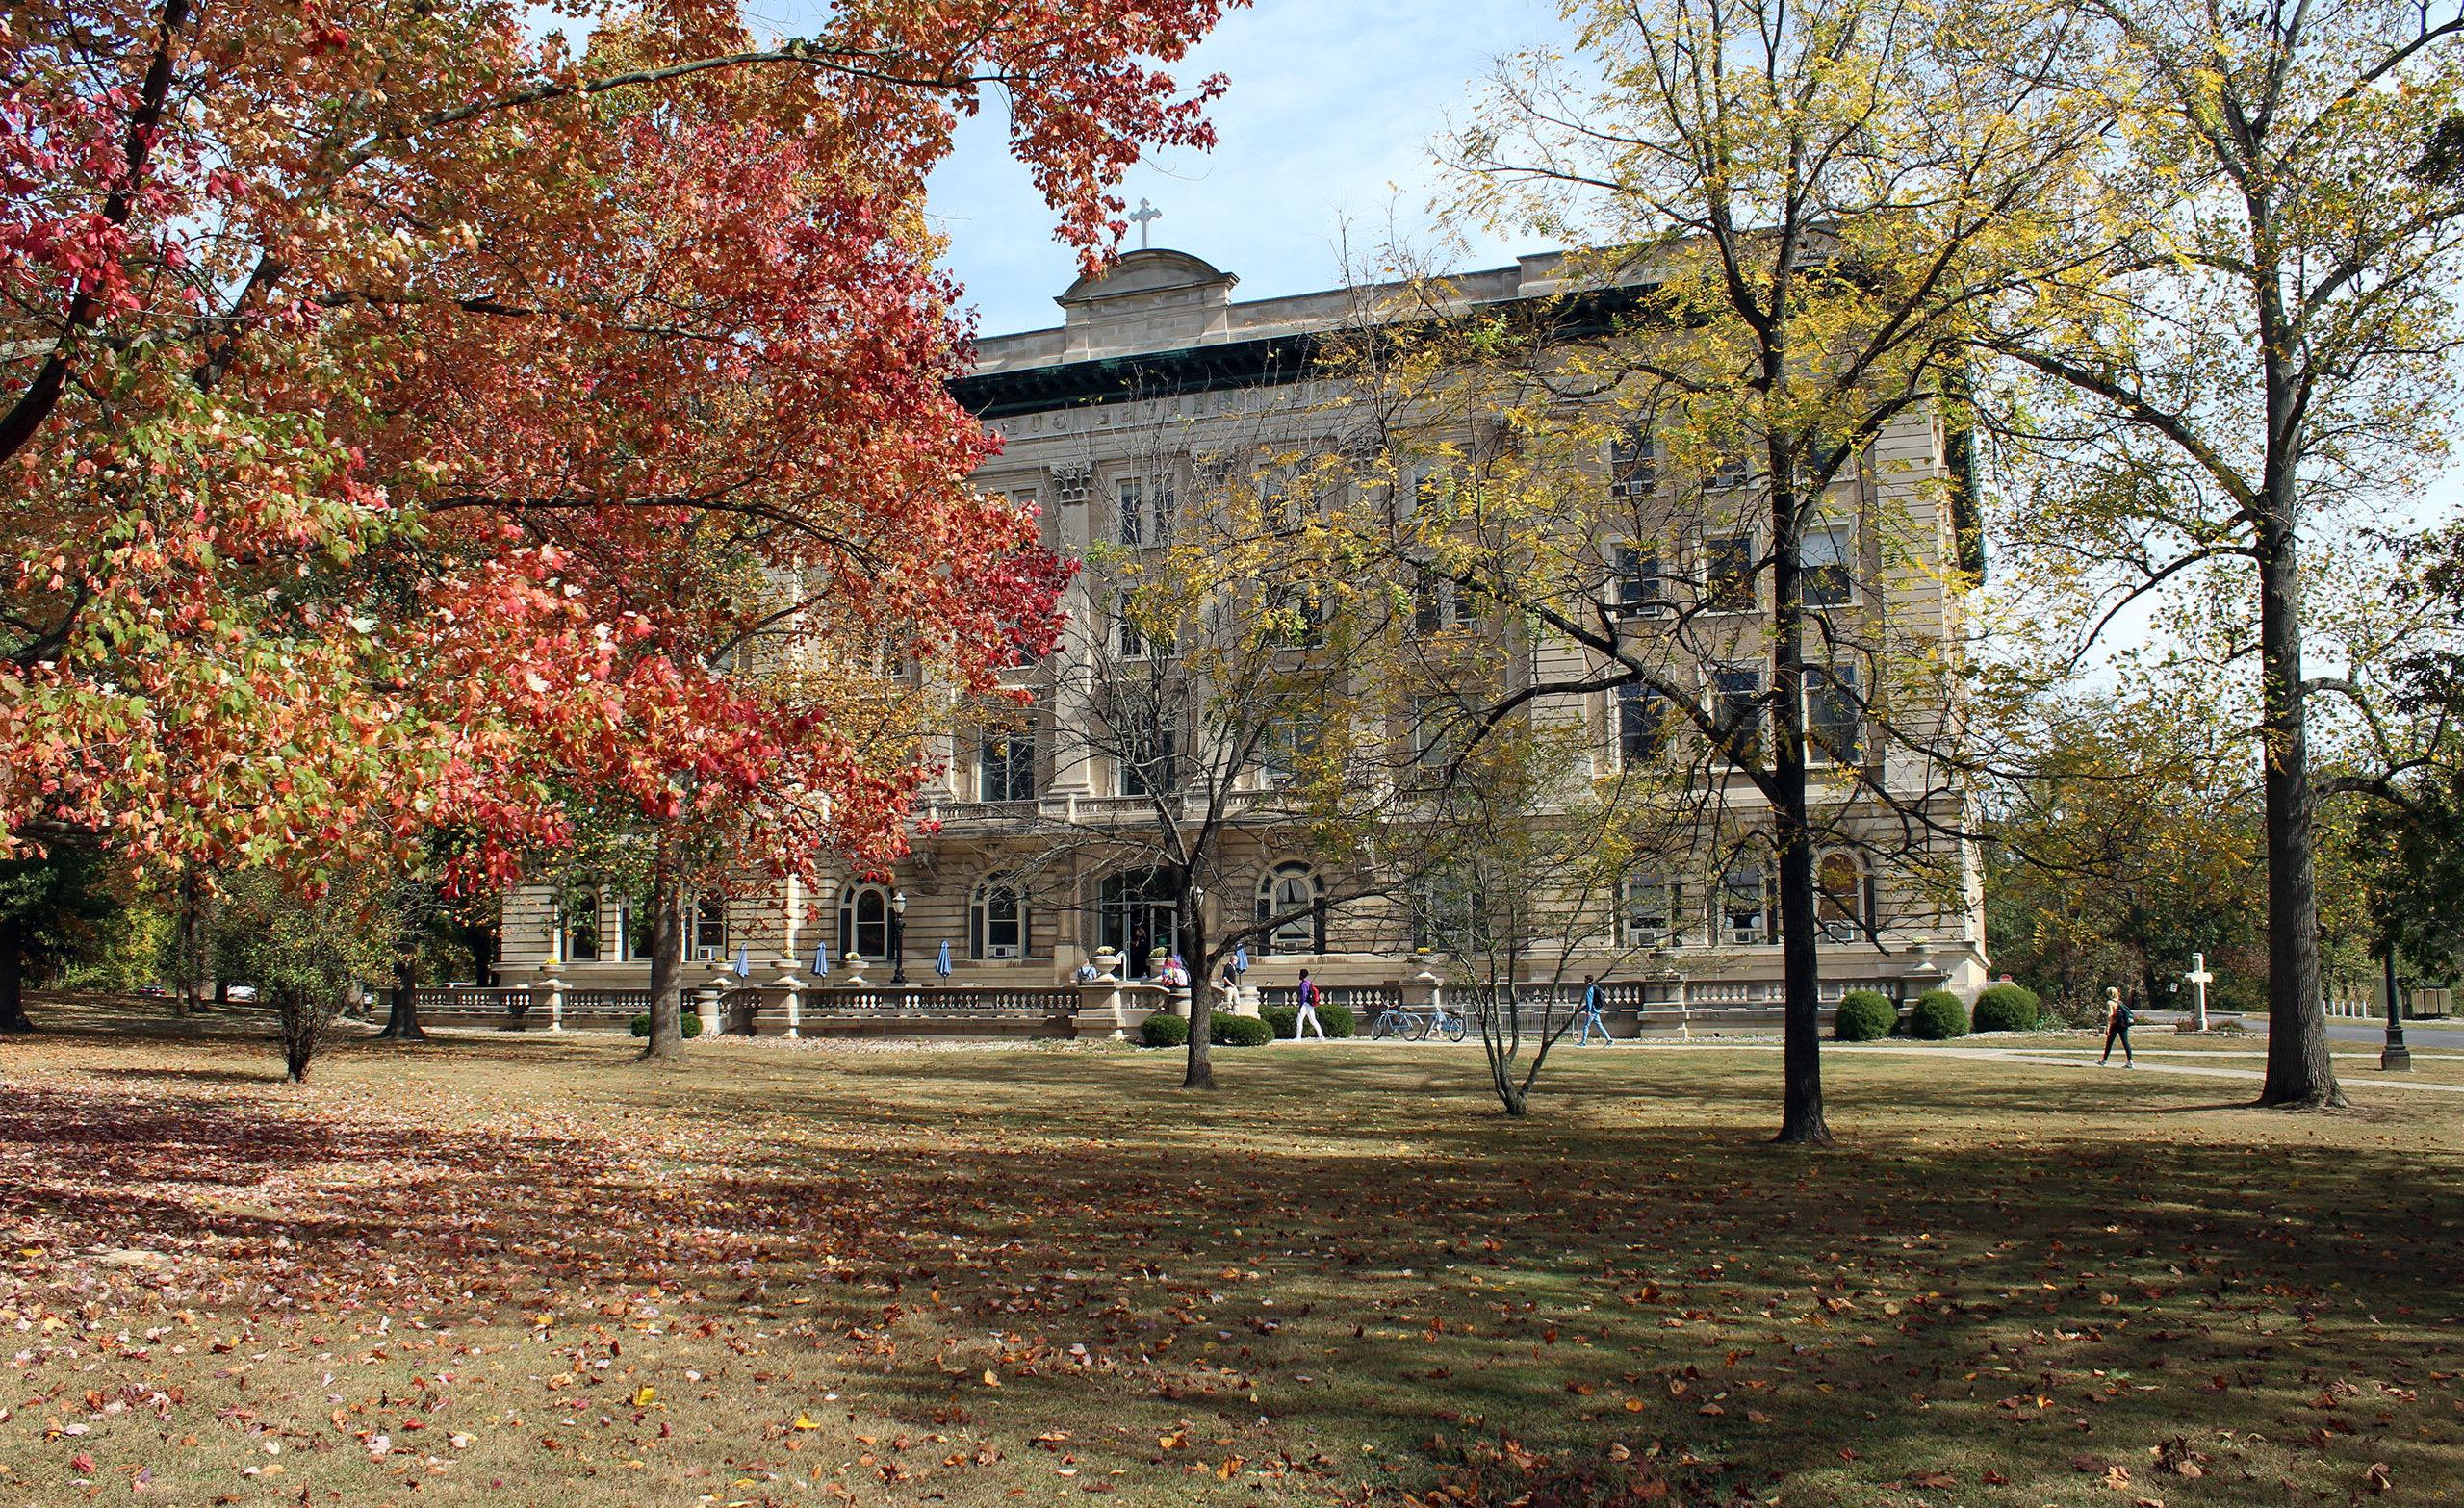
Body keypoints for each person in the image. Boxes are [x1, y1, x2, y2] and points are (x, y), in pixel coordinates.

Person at [2099, 984, 2135, 1067]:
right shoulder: (2119, 1001)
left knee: (2109, 1043)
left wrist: (2107, 1027)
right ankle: (2130, 1061)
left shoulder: (2109, 1002)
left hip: (2115, 1024)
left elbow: (2110, 1015)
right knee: (2125, 1042)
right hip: (2123, 1024)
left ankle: (2104, 1061)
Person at [1574, 975, 1612, 1045]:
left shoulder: (1590, 988)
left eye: (1585, 979)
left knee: (1586, 1026)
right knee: (1599, 1025)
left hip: (1592, 1011)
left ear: (1588, 980)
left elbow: (1589, 1001)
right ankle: (1609, 1039)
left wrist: (1588, 1011)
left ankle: (1583, 1042)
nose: (1584, 980)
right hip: (1596, 1010)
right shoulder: (1595, 987)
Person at [1291, 968, 1326, 1040]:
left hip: (1305, 1004)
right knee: (1313, 1020)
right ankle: (1321, 1036)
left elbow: (1304, 995)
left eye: (1300, 974)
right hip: (1310, 1004)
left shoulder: (1303, 984)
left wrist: (1301, 1006)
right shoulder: (1309, 983)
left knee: (1299, 1020)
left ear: (1302, 975)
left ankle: (1298, 1037)